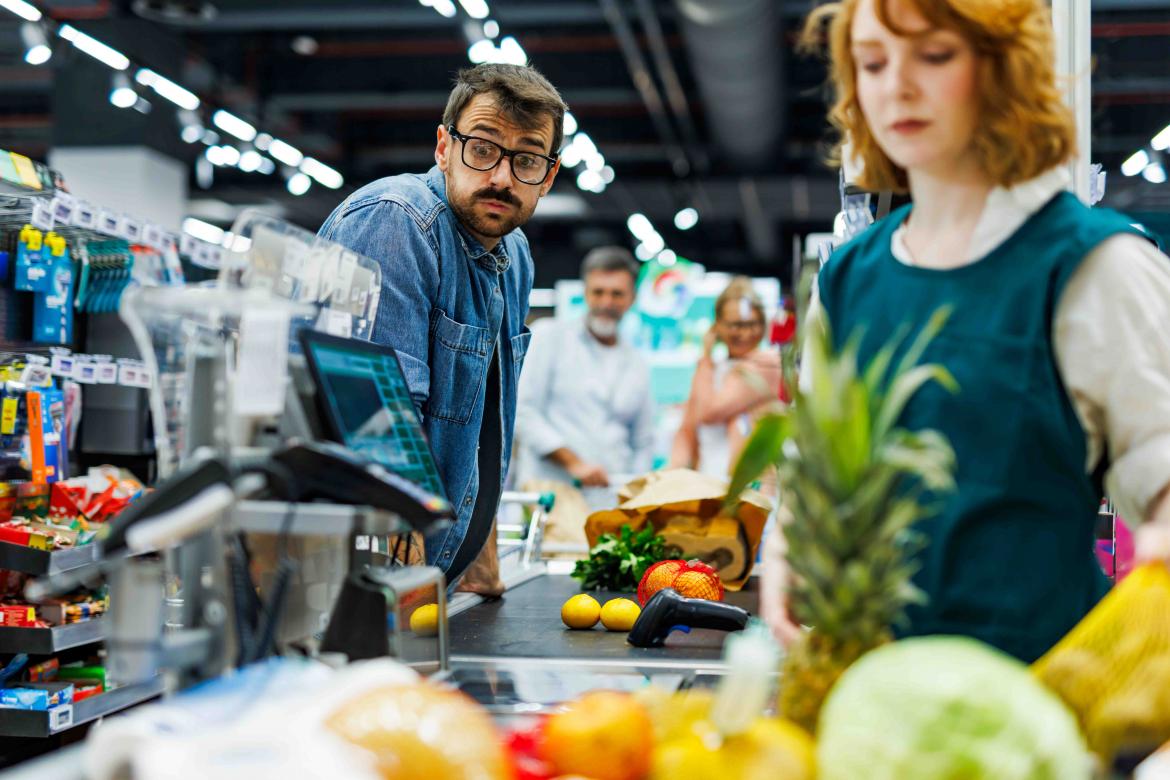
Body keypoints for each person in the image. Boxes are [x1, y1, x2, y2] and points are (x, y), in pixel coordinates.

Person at [762, 0, 1170, 662]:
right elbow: (814, 465)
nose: (896, 84)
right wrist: (786, 546)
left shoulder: (1097, 263)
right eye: (872, 62)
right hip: (872, 691)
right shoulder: (848, 279)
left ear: (1005, 69)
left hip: (1043, 697)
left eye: (934, 55)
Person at [318, 63, 566, 584]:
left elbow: (488, 420)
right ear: (443, 148)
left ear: (549, 176)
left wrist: (480, 548)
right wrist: (396, 593)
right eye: (483, 148)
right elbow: (377, 426)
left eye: (526, 159)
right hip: (358, 579)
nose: (500, 177)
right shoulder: (396, 222)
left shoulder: (515, 254)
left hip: (436, 574)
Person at [515, 246, 656, 491]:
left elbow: (643, 440)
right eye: (598, 292)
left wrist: (636, 489)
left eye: (617, 294)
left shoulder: (637, 362)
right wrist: (574, 462)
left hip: (610, 497)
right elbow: (522, 412)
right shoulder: (550, 336)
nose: (606, 302)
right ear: (585, 293)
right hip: (552, 491)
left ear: (632, 298)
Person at [669, 277, 783, 479]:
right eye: (735, 325)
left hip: (749, 492)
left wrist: (705, 358)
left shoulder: (768, 365)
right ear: (717, 326)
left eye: (753, 324)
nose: (745, 333)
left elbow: (710, 412)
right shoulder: (712, 368)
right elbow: (687, 430)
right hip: (708, 485)